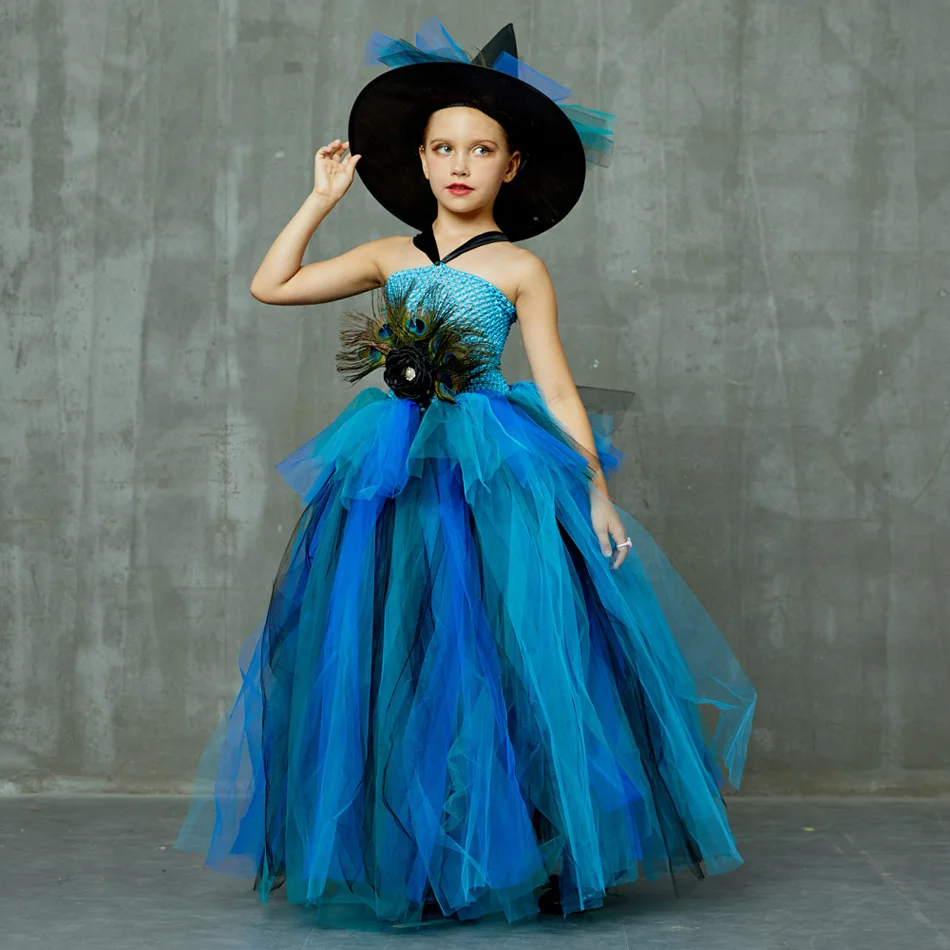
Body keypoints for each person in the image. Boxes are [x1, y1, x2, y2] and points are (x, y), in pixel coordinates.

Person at [175, 18, 757, 930]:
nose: (459, 164)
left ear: (511, 167)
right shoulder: (389, 256)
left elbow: (555, 387)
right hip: (392, 474)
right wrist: (321, 199)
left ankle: (505, 848)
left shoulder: (521, 267)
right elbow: (272, 285)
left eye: (481, 150)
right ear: (418, 158)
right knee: (396, 646)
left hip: (490, 477)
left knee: (490, 653)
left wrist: (597, 492)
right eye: (443, 147)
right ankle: (410, 857)